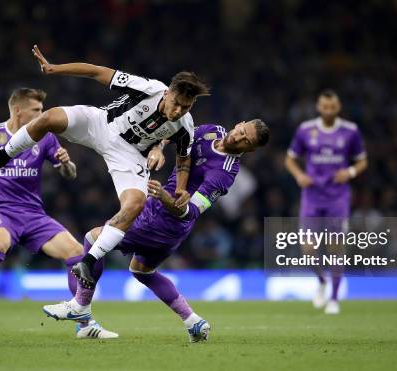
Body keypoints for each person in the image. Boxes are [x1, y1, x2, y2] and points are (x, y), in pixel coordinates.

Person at [0, 46, 210, 290]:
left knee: (135, 205)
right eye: (177, 103)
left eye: (186, 107)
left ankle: (89, 260)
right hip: (102, 124)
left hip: (130, 156)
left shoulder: (184, 126)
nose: (179, 110)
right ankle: (3, 155)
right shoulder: (147, 88)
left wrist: (181, 189)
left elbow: (184, 158)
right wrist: (55, 68)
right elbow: (96, 72)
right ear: (168, 93)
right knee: (49, 118)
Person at [43, 120, 270, 342]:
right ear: (240, 123)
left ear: (249, 149)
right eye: (242, 130)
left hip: (162, 220)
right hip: (167, 224)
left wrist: (165, 197)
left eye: (245, 140)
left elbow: (190, 211)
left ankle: (81, 306)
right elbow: (180, 133)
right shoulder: (213, 130)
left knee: (93, 238)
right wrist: (159, 147)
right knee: (142, 271)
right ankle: (193, 321)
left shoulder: (225, 173)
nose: (238, 136)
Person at [0, 88, 114, 340]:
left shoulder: (45, 137)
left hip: (34, 215)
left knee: (77, 252)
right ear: (18, 110)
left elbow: (70, 175)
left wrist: (66, 163)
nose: (42, 114)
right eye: (37, 110)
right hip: (3, 211)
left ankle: (84, 324)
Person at [284, 90, 367, 314]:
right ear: (318, 107)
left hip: (338, 197)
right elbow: (290, 158)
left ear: (338, 107)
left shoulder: (350, 131)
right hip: (311, 195)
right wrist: (299, 175)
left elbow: (362, 161)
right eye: (324, 107)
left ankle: (333, 299)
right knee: (308, 249)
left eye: (332, 107)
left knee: (335, 247)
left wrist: (349, 172)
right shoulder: (305, 130)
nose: (328, 111)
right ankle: (321, 280)